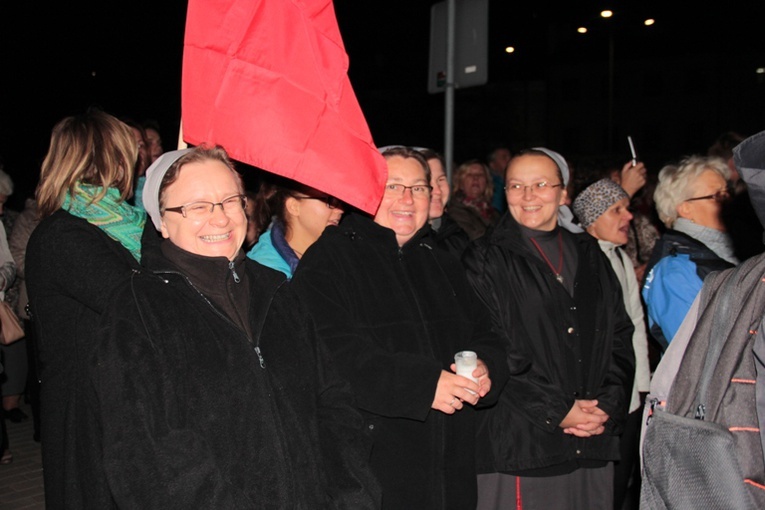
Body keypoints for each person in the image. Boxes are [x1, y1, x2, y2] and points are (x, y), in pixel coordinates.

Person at [88, 145, 379, 508]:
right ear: (162, 221)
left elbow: (333, 404)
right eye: (197, 206)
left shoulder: (276, 291)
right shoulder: (136, 310)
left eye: (229, 201)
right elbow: (145, 456)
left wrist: (351, 496)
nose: (221, 218)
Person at [292, 146, 513, 510]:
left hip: (451, 471)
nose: (407, 199)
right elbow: (331, 354)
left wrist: (489, 366)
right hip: (372, 472)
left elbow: (488, 333)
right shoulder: (328, 259)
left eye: (419, 188)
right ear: (366, 191)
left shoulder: (443, 261)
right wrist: (423, 386)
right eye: (393, 186)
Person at [463, 148, 635, 510]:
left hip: (592, 440)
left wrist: (608, 404)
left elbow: (619, 334)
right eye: (516, 186)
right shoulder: (484, 258)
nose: (528, 196)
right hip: (524, 443)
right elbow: (493, 346)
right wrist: (557, 410)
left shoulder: (590, 255)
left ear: (563, 194)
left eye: (540, 185)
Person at [25, 109, 149, 509]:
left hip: (119, 402)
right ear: (111, 158)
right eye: (131, 151)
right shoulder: (64, 235)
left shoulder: (127, 224)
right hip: (88, 411)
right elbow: (135, 301)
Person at [572, 179, 652, 509]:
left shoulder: (618, 257)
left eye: (627, 207)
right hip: (600, 399)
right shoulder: (582, 261)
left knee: (622, 485)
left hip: (630, 396)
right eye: (616, 210)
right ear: (592, 220)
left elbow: (635, 326)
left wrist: (643, 389)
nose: (629, 216)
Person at [642, 156, 737, 349]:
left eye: (727, 193)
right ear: (685, 209)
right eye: (716, 196)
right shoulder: (674, 272)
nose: (728, 201)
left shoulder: (734, 251)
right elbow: (696, 351)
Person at [247, 174, 343, 278]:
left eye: (339, 201)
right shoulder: (266, 273)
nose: (340, 210)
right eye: (329, 201)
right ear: (294, 207)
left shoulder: (339, 251)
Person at [0, 168, 26, 427]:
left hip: (7, 300)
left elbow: (10, 263)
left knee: (15, 354)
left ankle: (12, 403)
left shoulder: (8, 221)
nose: (1, 208)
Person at [418, 148, 469, 259]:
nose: (437, 190)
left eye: (441, 179)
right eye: (427, 181)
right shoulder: (401, 241)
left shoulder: (456, 235)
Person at [447, 159, 500, 240]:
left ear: (486, 182)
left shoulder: (495, 214)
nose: (476, 178)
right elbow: (474, 238)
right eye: (470, 174)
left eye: (480, 174)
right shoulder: (455, 211)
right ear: (460, 182)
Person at [487, 147, 511, 214]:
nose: (509, 160)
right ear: (493, 165)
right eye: (504, 158)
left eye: (510, 157)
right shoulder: (491, 186)